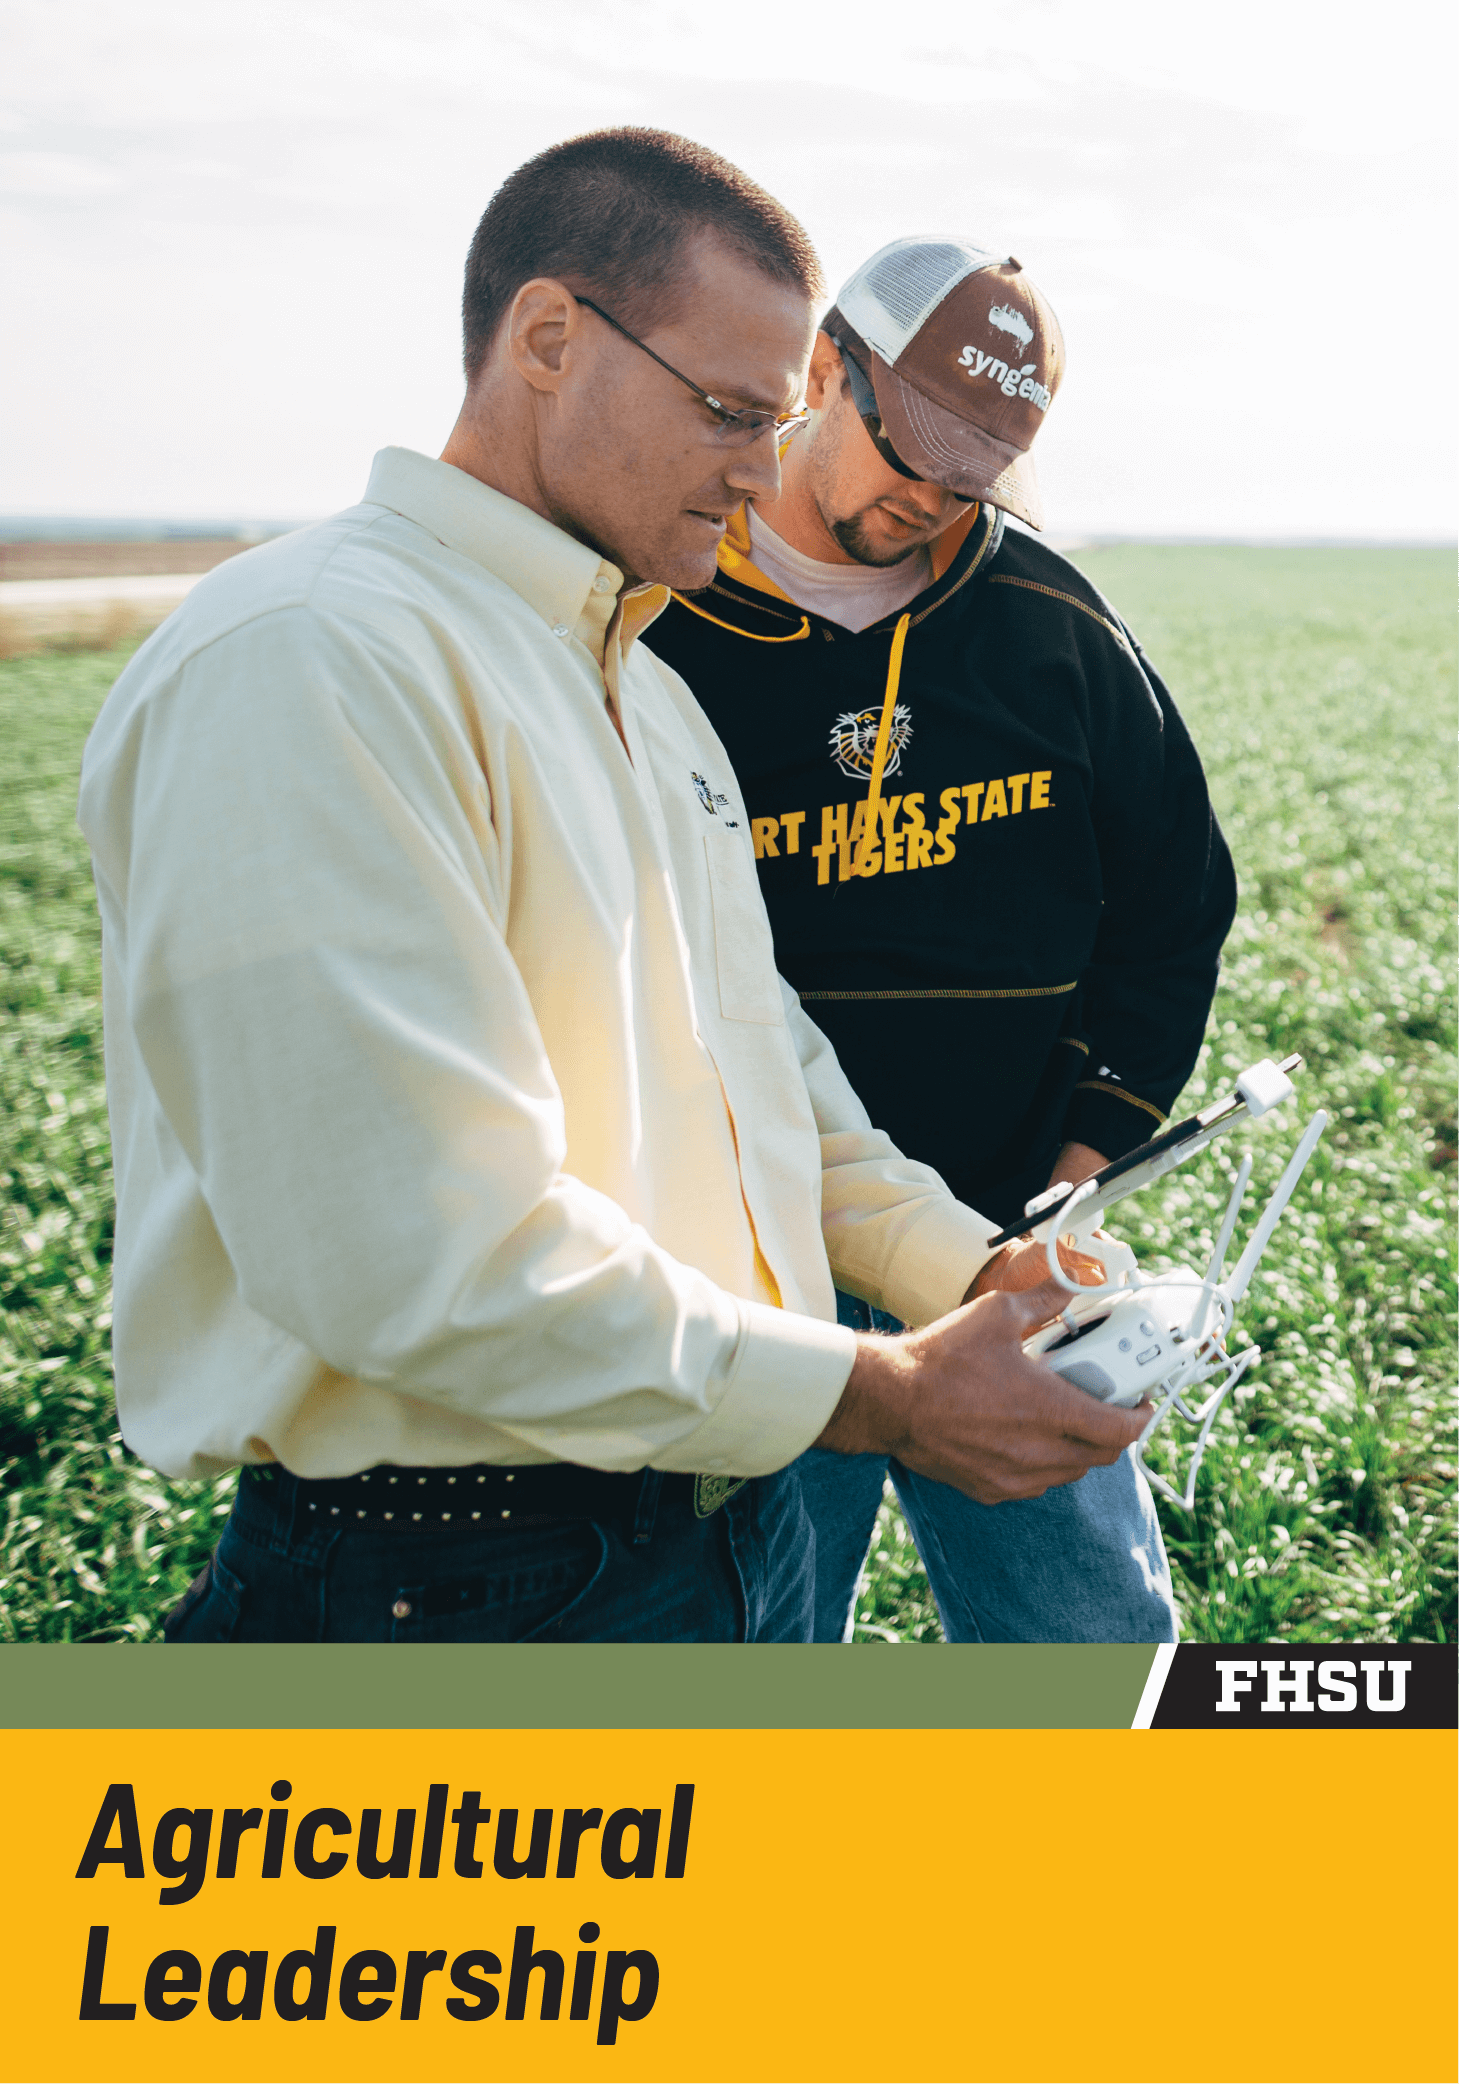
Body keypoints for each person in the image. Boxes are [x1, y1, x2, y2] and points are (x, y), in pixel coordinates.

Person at [78, 141, 1149, 1646]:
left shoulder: (644, 691)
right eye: (726, 411)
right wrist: (877, 1396)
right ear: (544, 339)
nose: (761, 470)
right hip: (454, 1585)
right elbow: (410, 1254)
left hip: (722, 1526)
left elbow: (766, 1085)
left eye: (773, 424)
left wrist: (972, 1268)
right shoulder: (315, 658)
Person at [648, 235, 1238, 1642]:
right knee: (759, 1643)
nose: (920, 500)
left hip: (997, 1249)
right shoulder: (655, 607)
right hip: (746, 1263)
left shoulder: (1050, 625)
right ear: (817, 369)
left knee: (1092, 1643)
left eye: (964, 476)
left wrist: (1074, 1182)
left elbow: (1173, 908)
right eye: (898, 448)